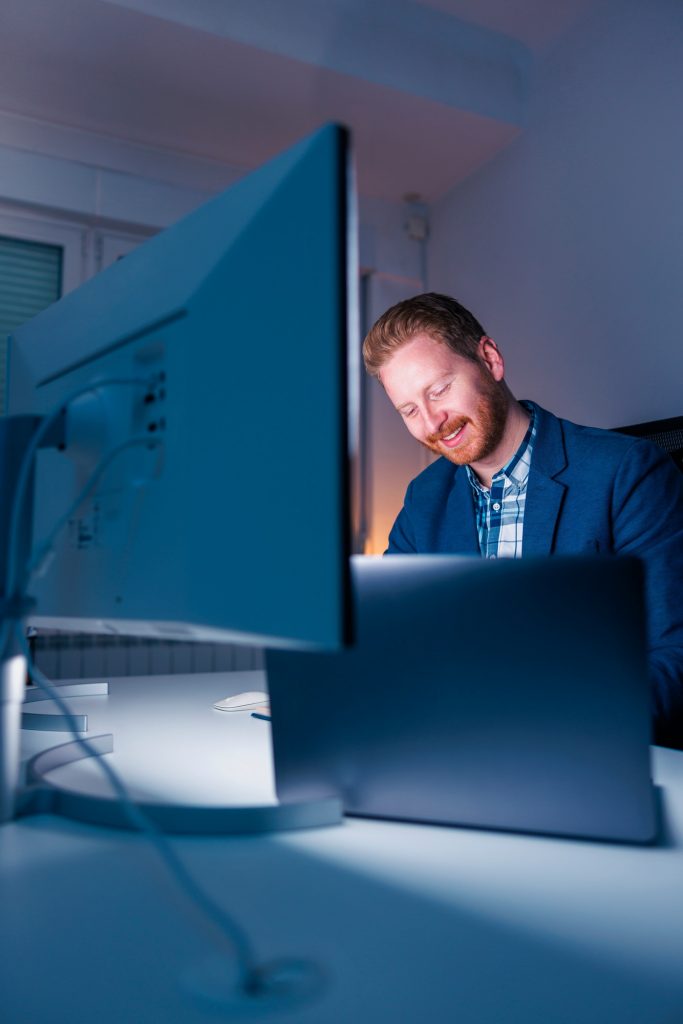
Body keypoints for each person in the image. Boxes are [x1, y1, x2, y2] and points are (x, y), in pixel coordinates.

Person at [362, 292, 683, 747]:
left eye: (439, 390)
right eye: (409, 410)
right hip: (460, 751)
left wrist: (542, 724)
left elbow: (676, 656)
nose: (434, 422)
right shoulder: (424, 499)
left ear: (490, 360)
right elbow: (391, 645)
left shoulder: (626, 472)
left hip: (589, 751)